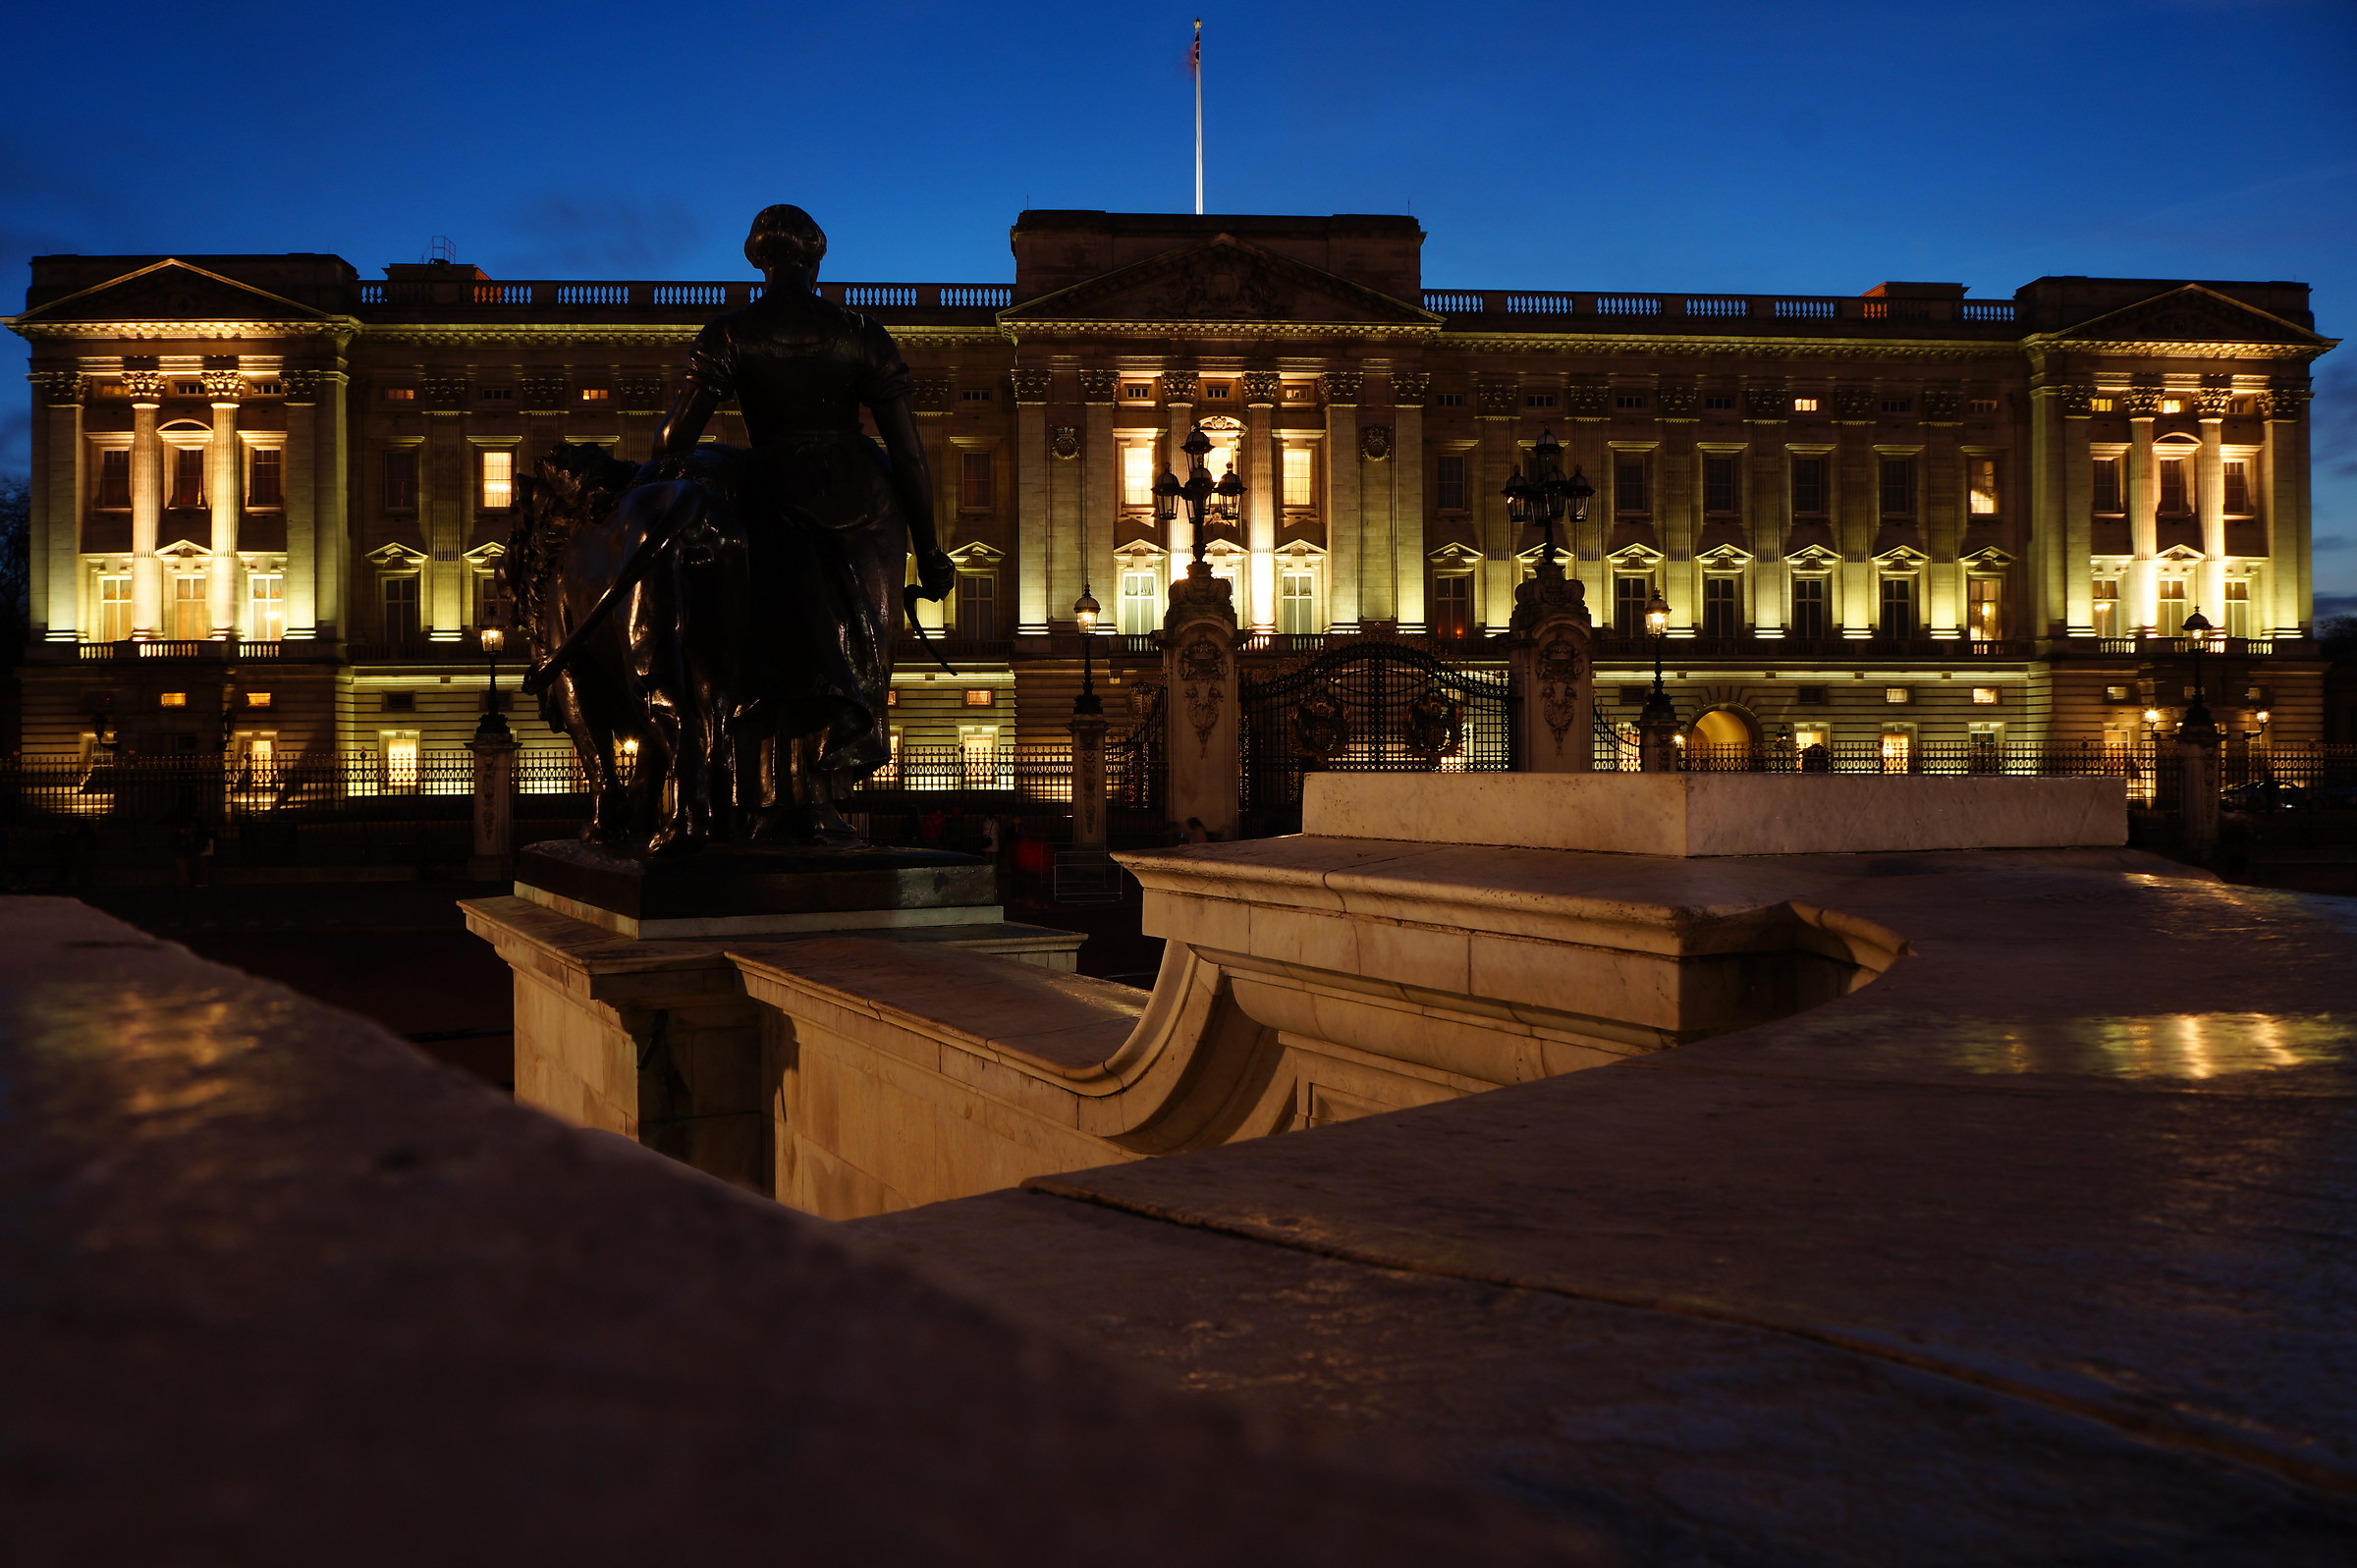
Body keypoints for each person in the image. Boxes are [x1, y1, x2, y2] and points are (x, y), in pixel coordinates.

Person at [645, 203, 956, 845]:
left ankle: (768, 805)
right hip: (860, 504)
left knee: (775, 653)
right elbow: (910, 455)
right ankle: (820, 799)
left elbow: (674, 438)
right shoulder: (863, 334)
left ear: (759, 261)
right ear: (816, 260)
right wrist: (929, 549)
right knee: (850, 656)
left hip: (773, 493)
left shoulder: (730, 334)